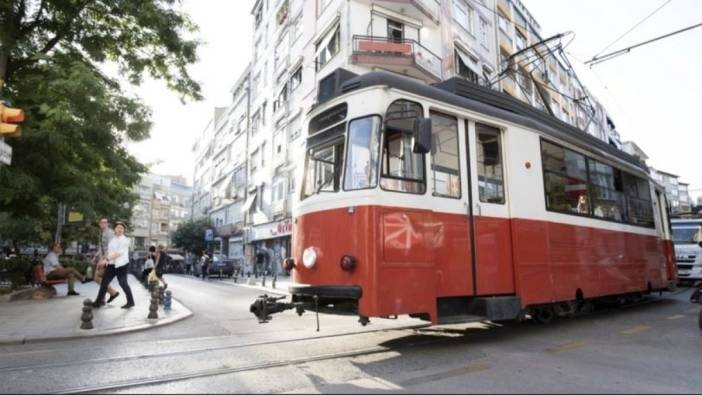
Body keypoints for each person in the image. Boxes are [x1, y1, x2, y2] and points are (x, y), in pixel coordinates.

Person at [92, 222, 135, 309]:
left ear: (123, 231)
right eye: (118, 228)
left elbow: (118, 253)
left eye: (121, 228)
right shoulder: (113, 240)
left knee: (123, 283)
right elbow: (109, 251)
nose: (119, 229)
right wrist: (103, 260)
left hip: (122, 265)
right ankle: (98, 301)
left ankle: (131, 302)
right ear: (115, 229)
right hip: (111, 265)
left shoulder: (126, 240)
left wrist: (106, 260)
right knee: (104, 283)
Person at [93, 218, 120, 304]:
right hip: (103, 259)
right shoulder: (101, 234)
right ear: (99, 224)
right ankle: (103, 298)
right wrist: (96, 257)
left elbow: (111, 248)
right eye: (101, 222)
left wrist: (104, 260)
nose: (103, 224)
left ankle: (112, 293)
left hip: (108, 260)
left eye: (105, 222)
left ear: (107, 224)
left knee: (97, 277)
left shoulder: (110, 233)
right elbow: (101, 247)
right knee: (102, 278)